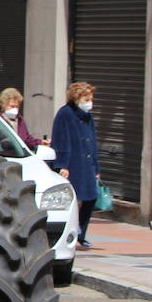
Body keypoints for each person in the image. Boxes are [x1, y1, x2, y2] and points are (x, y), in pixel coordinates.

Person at [50, 81, 100, 249]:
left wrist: (96, 167)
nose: (89, 103)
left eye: (91, 99)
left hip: (87, 164)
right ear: (77, 98)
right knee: (71, 199)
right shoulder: (65, 114)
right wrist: (62, 164)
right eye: (86, 99)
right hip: (72, 164)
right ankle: (70, 233)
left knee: (91, 197)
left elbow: (92, 141)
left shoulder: (88, 117)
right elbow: (60, 140)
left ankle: (81, 232)